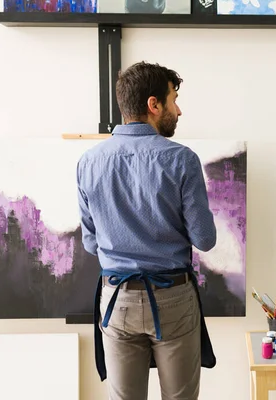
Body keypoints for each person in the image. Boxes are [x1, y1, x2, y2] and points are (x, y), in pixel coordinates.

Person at [76, 61, 217, 400]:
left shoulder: (88, 161)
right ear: (154, 105)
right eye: (174, 99)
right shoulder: (182, 160)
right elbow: (205, 240)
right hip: (173, 298)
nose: (179, 110)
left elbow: (90, 242)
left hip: (116, 300)